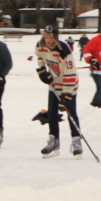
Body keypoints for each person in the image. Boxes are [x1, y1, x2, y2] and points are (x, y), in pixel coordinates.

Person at [36, 25, 83, 158]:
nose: (48, 41)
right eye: (45, 37)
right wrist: (42, 71)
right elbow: (39, 56)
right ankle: (54, 140)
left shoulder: (64, 51)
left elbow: (70, 74)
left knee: (70, 113)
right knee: (52, 113)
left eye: (50, 38)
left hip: (69, 85)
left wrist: (66, 96)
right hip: (54, 85)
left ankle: (76, 140)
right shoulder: (40, 45)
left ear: (55, 37)